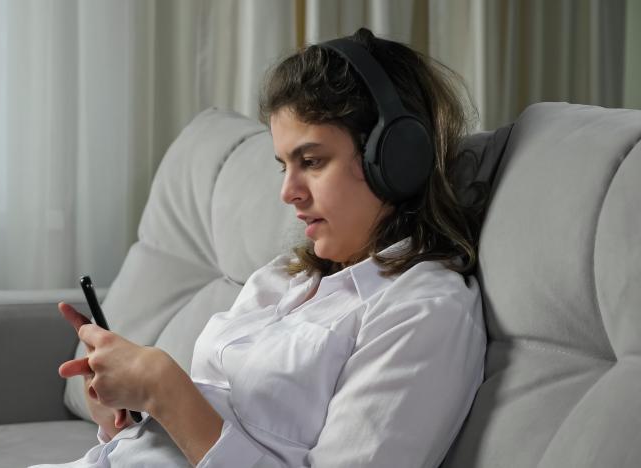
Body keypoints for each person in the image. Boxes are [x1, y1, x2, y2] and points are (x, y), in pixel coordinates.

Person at [31, 27, 486, 468]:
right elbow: (210, 433)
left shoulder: (423, 311)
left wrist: (167, 391)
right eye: (284, 165)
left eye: (311, 161)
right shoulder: (283, 277)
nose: (288, 192)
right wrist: (125, 414)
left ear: (398, 158)